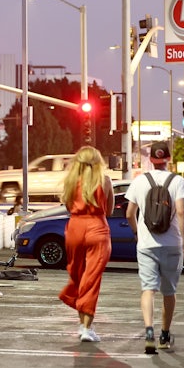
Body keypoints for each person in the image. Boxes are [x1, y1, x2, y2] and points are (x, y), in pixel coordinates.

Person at [125, 141, 184, 354]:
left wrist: (137, 233)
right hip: (172, 243)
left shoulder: (139, 181)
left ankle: (148, 332)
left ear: (151, 160)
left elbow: (129, 213)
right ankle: (164, 334)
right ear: (169, 159)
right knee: (169, 292)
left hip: (146, 244)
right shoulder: (178, 181)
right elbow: (182, 212)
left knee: (148, 290)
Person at [58, 146, 115, 343]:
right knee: (91, 279)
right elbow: (108, 210)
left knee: (78, 276)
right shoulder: (105, 181)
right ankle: (86, 327)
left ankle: (82, 324)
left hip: (75, 228)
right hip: (97, 228)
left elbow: (67, 205)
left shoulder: (71, 181)